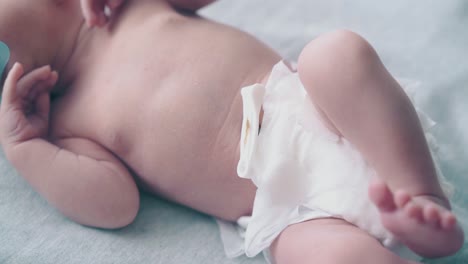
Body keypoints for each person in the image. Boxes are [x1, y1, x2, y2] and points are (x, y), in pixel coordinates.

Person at [0, 0, 464, 263]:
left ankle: (421, 195)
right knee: (321, 258)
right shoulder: (63, 126)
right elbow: (114, 205)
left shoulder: (129, 6)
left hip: (325, 109)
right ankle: (403, 239)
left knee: (335, 55)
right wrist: (27, 149)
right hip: (286, 209)